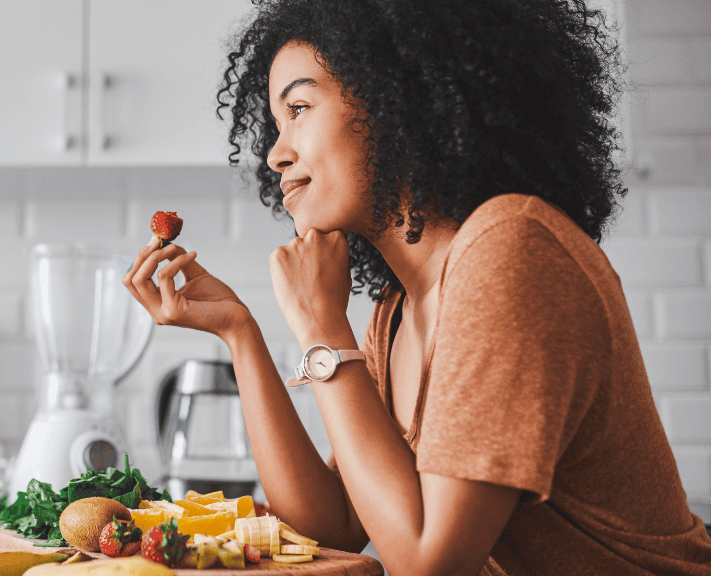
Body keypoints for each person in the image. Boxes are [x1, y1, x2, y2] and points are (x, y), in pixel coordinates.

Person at [123, 0, 711, 574]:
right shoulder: (397, 308)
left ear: (394, 100)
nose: (276, 154)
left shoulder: (512, 250)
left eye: (298, 108)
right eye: (276, 125)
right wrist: (240, 333)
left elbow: (427, 562)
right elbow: (334, 523)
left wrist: (323, 330)